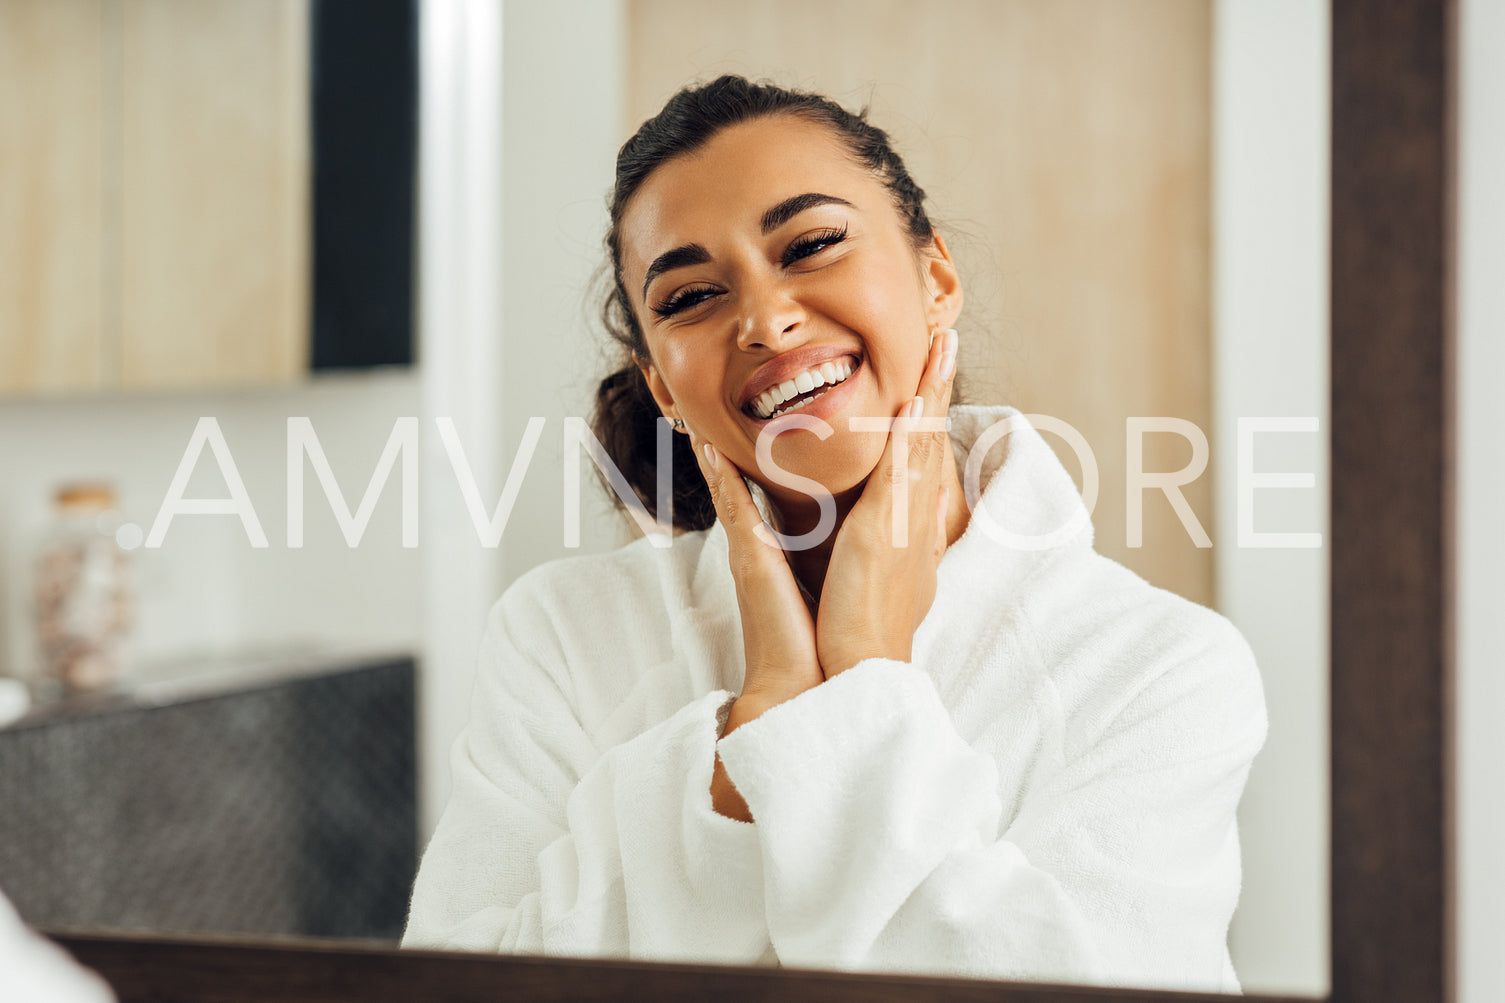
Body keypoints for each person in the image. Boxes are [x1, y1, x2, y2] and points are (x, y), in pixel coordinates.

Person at [403, 75, 1267, 994]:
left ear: (936, 280)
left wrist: (862, 673)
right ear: (661, 383)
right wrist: (757, 727)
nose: (765, 320)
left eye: (810, 244)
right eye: (690, 296)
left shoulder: (1160, 668)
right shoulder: (561, 636)